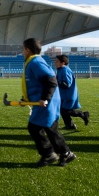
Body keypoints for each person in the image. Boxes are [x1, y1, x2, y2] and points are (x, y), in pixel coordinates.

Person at [22, 38, 76, 167]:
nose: (22, 52)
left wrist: (45, 98)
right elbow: (35, 83)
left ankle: (50, 154)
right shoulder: (34, 61)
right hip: (45, 100)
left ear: (28, 50)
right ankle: (64, 154)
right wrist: (25, 98)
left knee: (37, 127)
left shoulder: (35, 62)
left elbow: (51, 80)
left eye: (23, 49)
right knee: (48, 128)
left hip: (47, 101)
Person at [54, 55, 90, 130]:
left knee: (66, 111)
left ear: (63, 63)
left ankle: (83, 114)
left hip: (68, 95)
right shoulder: (60, 70)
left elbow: (67, 84)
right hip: (63, 95)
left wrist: (55, 81)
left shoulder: (65, 70)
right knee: (63, 110)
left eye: (57, 61)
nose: (55, 63)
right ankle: (70, 125)